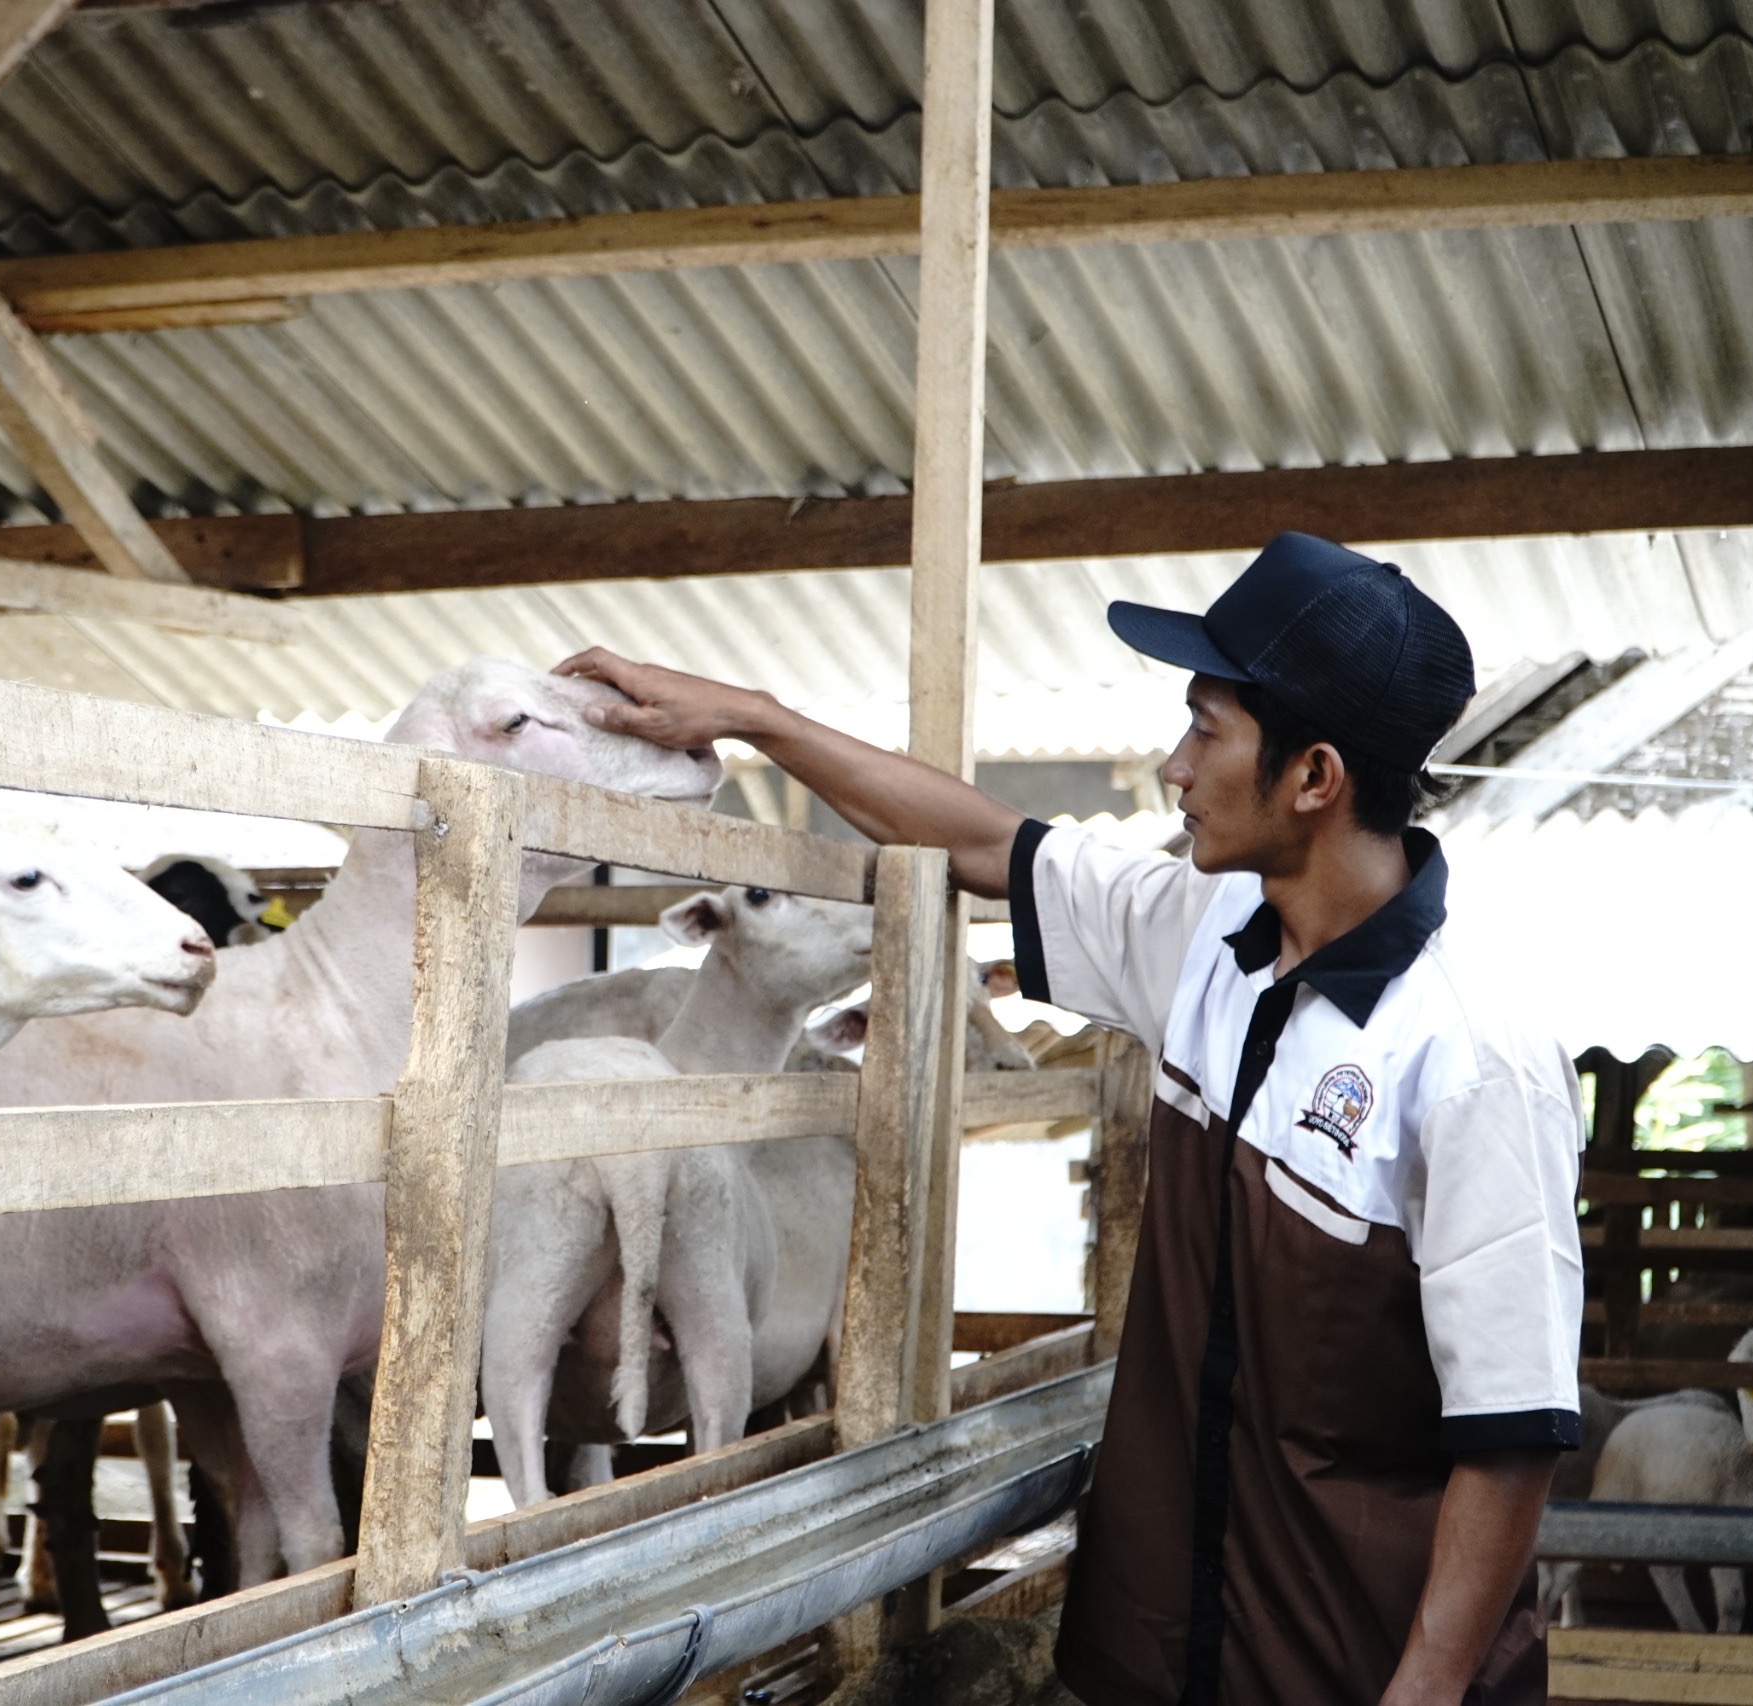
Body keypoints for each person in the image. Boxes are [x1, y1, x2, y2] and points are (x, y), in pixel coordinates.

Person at [553, 532, 1583, 1706]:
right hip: (1163, 1645)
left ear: (1313, 778)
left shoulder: (1472, 1060)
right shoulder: (1199, 935)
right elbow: (988, 839)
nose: (1172, 766)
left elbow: (1509, 1437)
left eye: (1206, 728)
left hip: (1351, 1661)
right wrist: (754, 719)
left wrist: (1423, 1694)